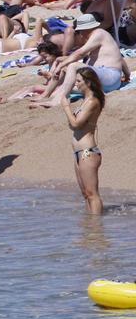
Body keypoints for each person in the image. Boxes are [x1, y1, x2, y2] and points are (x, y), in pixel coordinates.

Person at [33, 14, 129, 107]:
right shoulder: (97, 38)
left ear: (85, 29)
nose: (81, 34)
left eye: (81, 31)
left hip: (109, 76)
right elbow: (118, 57)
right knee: (65, 66)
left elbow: (80, 53)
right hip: (106, 79)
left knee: (73, 66)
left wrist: (61, 65)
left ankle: (58, 100)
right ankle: (46, 94)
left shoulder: (99, 33)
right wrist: (127, 74)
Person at [63, 68, 105, 214]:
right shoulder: (84, 101)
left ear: (88, 82)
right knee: (86, 194)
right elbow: (73, 125)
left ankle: (96, 229)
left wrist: (66, 106)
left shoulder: (93, 101)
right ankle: (90, 229)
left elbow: (75, 124)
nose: (76, 83)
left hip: (88, 152)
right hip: (78, 153)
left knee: (92, 194)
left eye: (79, 81)